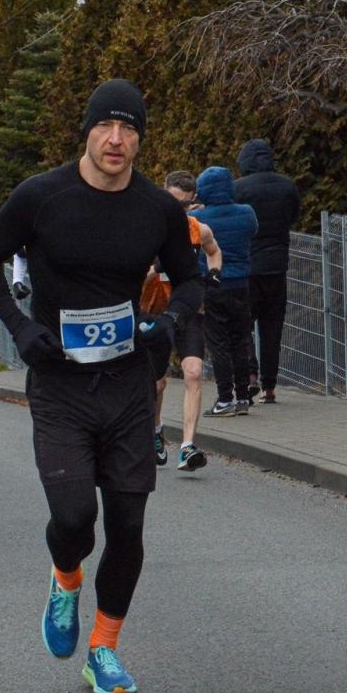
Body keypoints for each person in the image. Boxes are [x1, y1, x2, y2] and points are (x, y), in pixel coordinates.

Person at [0, 78, 202, 693]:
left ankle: (104, 649)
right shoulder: (41, 196)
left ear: (141, 140)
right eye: (107, 126)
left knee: (127, 526)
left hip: (127, 385)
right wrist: (20, 328)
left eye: (130, 130)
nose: (117, 140)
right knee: (75, 518)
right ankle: (66, 576)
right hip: (61, 387)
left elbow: (192, 279)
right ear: (88, 129)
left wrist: (169, 326)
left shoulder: (158, 209)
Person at [144, 171, 223, 471]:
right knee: (158, 384)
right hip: (153, 311)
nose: (179, 212)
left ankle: (188, 446)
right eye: (174, 204)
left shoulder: (196, 228)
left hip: (188, 311)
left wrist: (214, 273)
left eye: (186, 206)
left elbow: (214, 251)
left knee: (193, 372)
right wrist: (155, 268)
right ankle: (155, 430)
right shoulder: (145, 227)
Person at [233, 138, 302, 405]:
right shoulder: (287, 186)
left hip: (247, 266)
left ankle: (250, 372)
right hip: (277, 266)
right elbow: (293, 215)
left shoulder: (238, 189)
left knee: (243, 324)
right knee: (273, 327)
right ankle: (269, 386)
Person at [190, 165, 259, 417]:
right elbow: (253, 231)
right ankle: (243, 397)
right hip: (241, 284)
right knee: (240, 340)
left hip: (211, 283)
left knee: (218, 343)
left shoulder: (200, 219)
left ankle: (224, 398)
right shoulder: (246, 213)